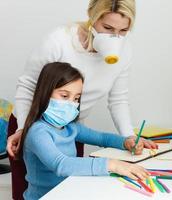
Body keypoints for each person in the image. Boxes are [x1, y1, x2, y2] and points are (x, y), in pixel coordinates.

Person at [7, 0, 157, 199]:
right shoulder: (59, 40)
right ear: (92, 17)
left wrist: (128, 140)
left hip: (66, 124)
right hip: (28, 124)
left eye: (123, 30)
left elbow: (117, 103)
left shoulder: (72, 129)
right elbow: (61, 164)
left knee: (70, 183)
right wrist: (23, 129)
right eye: (108, 28)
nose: (115, 36)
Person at [20, 62, 149, 200]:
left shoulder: (71, 127)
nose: (71, 103)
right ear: (45, 93)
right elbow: (61, 164)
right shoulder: (37, 132)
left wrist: (126, 142)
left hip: (69, 191)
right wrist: (113, 165)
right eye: (64, 96)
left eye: (76, 98)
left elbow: (101, 138)